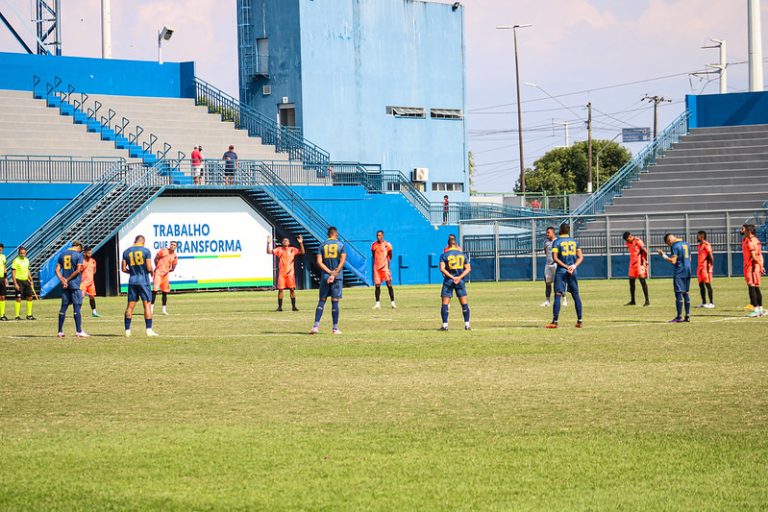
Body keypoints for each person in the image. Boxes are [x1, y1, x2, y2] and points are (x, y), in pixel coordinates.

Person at [310, 227, 347, 335]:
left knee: (322, 300)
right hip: (337, 276)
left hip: (325, 276)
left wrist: (329, 273)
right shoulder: (341, 245)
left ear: (328, 234)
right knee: (335, 301)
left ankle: (315, 326)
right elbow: (342, 260)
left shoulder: (322, 245)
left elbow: (319, 262)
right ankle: (335, 329)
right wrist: (335, 273)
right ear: (336, 234)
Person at [546, 224, 584, 328]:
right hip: (573, 271)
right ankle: (579, 321)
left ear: (560, 230)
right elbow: (580, 257)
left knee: (558, 294)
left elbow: (555, 258)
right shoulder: (575, 241)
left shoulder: (556, 242)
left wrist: (566, 267)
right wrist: (573, 266)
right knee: (576, 294)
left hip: (561, 271)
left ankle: (555, 321)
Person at [121, 235, 158, 337]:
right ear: (143, 242)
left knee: (130, 306)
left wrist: (132, 272)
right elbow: (149, 266)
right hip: (143, 281)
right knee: (147, 305)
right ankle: (149, 330)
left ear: (135, 241)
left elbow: (123, 269)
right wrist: (151, 273)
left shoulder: (126, 251)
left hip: (132, 281)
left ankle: (127, 331)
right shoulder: (146, 251)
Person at [55, 242, 89, 338]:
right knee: (77, 306)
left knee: (63, 307)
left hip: (65, 285)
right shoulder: (78, 255)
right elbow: (78, 270)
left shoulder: (62, 254)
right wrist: (68, 279)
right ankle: (79, 331)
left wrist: (62, 279)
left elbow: (56, 270)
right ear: (78, 247)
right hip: (74, 284)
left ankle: (60, 331)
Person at [657, 233, 692, 323]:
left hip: (679, 271)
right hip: (688, 270)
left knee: (679, 293)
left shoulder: (675, 246)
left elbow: (673, 261)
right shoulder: (686, 244)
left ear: (669, 240)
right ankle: (687, 316)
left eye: (668, 244)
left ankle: (679, 317)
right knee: (686, 293)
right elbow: (690, 259)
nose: (669, 245)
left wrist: (663, 255)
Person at [439, 236, 472, 331]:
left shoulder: (444, 255)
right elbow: (468, 268)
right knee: (464, 303)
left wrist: (452, 277)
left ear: (448, 245)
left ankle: (445, 325)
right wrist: (459, 277)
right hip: (460, 281)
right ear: (456, 245)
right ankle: (467, 325)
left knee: (445, 303)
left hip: (448, 281)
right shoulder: (462, 255)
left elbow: (442, 268)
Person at [267, 234, 305, 312]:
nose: (284, 242)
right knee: (280, 290)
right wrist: (268, 243)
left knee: (292, 289)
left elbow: (302, 252)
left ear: (289, 243)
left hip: (290, 273)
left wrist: (301, 243)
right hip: (282, 273)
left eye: (286, 241)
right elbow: (269, 252)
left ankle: (294, 306)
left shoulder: (292, 249)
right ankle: (280, 307)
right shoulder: (279, 249)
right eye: (283, 241)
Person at [741, 224, 764, 318]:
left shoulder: (751, 241)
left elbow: (754, 256)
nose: (743, 232)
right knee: (756, 287)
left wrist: (760, 265)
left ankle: (756, 310)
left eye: (744, 230)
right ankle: (760, 310)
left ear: (749, 231)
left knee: (752, 287)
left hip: (752, 266)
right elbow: (760, 255)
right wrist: (761, 265)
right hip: (753, 266)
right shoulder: (755, 240)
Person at [623, 231, 650, 306]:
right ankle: (632, 301)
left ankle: (647, 301)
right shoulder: (628, 243)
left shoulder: (638, 241)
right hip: (632, 264)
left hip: (639, 263)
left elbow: (645, 251)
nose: (627, 241)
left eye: (627, 239)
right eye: (626, 240)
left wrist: (645, 260)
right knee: (631, 282)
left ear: (630, 236)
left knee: (642, 281)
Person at [371, 230, 396, 309]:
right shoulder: (373, 245)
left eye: (380, 235)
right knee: (377, 285)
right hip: (377, 268)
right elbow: (374, 255)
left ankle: (393, 303)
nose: (378, 237)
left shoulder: (387, 245)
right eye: (377, 235)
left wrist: (386, 262)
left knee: (389, 284)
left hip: (385, 267)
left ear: (383, 236)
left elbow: (390, 255)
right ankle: (377, 303)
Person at [152, 241, 178, 316]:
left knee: (165, 292)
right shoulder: (163, 251)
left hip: (165, 274)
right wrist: (158, 267)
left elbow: (174, 266)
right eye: (171, 244)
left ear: (176, 247)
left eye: (174, 245)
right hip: (158, 273)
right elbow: (156, 258)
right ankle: (151, 309)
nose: (172, 246)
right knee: (154, 290)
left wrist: (170, 269)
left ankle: (164, 310)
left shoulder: (174, 256)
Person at [11, 246, 36, 320]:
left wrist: (31, 279)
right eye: (21, 253)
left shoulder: (27, 260)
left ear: (26, 253)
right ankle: (17, 316)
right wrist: (15, 283)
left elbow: (27, 270)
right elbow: (13, 273)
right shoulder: (16, 261)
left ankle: (29, 315)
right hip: (18, 281)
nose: (22, 254)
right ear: (19, 253)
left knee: (30, 297)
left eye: (23, 253)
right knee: (18, 298)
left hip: (26, 281)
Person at [80, 246, 101, 317]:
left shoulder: (93, 261)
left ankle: (94, 312)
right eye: (88, 253)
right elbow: (78, 271)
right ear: (85, 253)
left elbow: (94, 270)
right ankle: (77, 312)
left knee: (92, 297)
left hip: (91, 282)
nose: (90, 254)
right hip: (83, 282)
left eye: (91, 253)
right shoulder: (81, 261)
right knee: (81, 296)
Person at [696, 231, 715, 308]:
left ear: (702, 237)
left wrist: (709, 266)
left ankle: (711, 303)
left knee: (708, 284)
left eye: (698, 236)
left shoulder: (706, 245)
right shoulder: (699, 246)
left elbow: (711, 256)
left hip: (705, 268)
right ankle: (703, 302)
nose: (696, 237)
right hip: (700, 268)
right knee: (701, 285)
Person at [541, 227, 557, 307]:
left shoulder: (557, 241)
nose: (547, 234)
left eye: (548, 232)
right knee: (547, 283)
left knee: (558, 283)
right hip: (548, 264)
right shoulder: (545, 242)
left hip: (556, 264)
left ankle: (564, 299)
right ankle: (547, 301)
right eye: (546, 232)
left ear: (553, 233)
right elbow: (545, 252)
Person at [0, 243, 7, 321]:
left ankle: (2, 314)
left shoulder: (3, 257)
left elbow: (4, 267)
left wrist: (5, 278)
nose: (0, 249)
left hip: (1, 279)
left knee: (2, 297)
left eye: (1, 248)